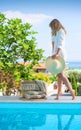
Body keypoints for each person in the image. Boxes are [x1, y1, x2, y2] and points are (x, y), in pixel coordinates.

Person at [49, 19, 75, 100]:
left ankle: (71, 91)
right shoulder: (54, 32)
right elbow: (53, 43)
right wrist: (53, 53)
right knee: (59, 75)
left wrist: (56, 53)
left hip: (60, 54)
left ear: (55, 24)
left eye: (52, 27)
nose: (52, 28)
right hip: (55, 54)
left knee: (61, 75)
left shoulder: (61, 31)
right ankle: (59, 93)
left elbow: (61, 44)